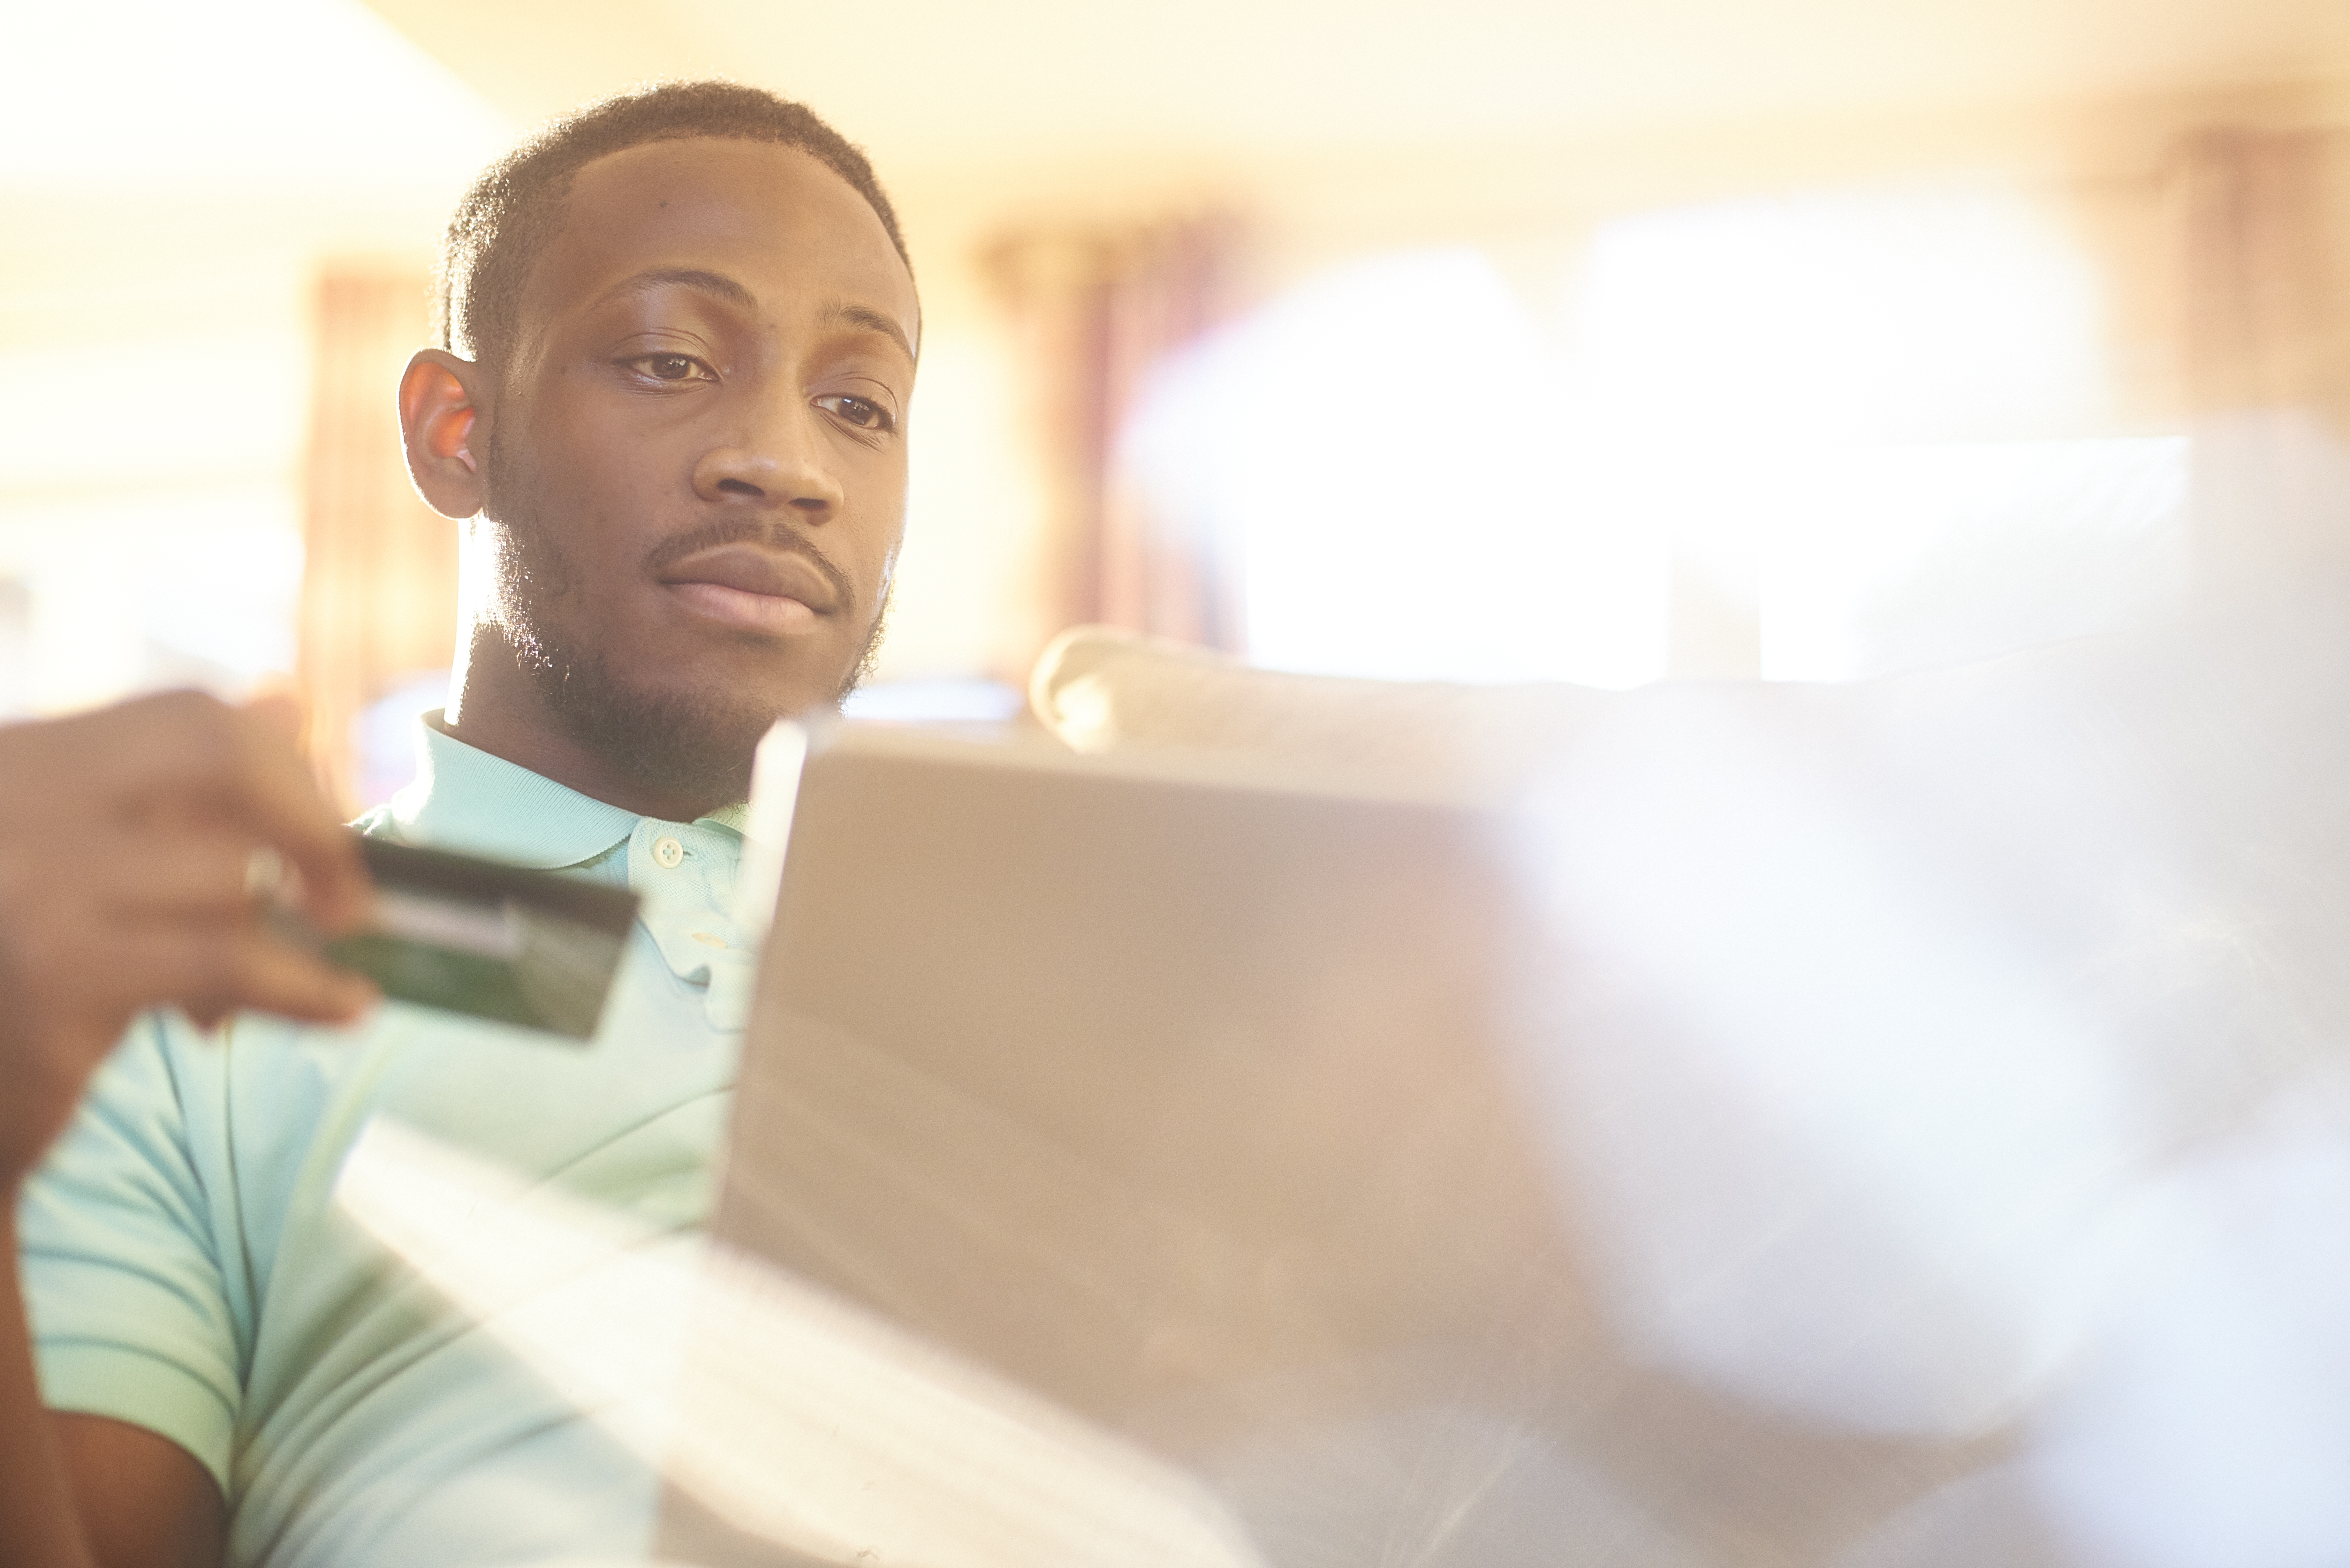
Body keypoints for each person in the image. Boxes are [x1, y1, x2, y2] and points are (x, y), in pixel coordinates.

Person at [1, 80, 922, 1568]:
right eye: (670, 359)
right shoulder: (207, 961)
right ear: (454, 432)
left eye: (859, 405)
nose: (786, 463)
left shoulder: (1032, 953)